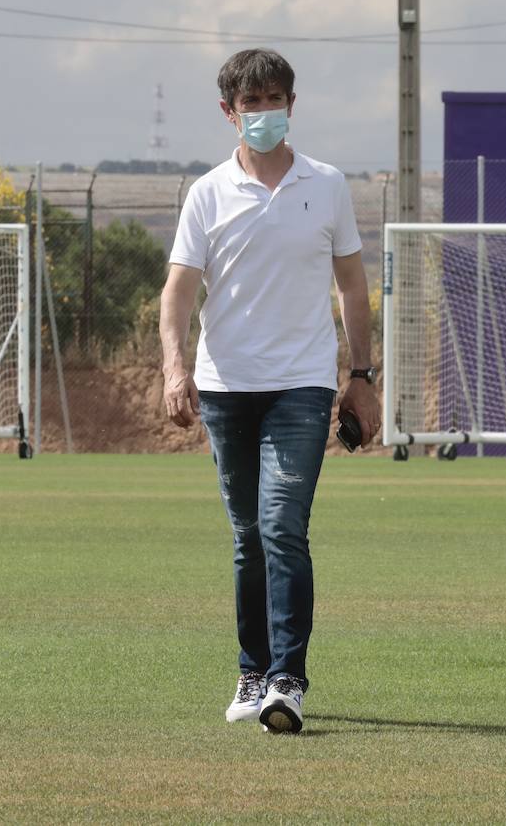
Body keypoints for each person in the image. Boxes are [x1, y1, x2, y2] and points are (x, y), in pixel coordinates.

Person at [159, 48, 380, 735]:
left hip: (303, 387)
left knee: (283, 524)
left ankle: (288, 680)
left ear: (292, 104)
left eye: (273, 99)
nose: (263, 113)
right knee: (248, 536)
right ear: (228, 112)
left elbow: (351, 286)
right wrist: (173, 369)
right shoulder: (207, 194)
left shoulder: (328, 184)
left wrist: (362, 377)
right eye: (249, 103)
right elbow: (177, 294)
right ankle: (251, 671)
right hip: (226, 388)